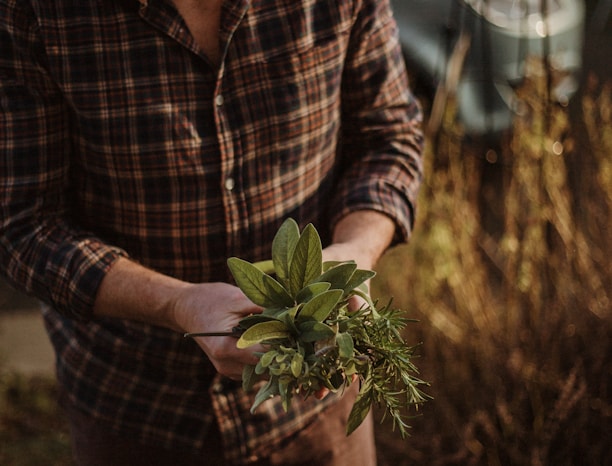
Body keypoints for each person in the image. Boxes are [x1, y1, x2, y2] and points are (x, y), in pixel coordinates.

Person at [0, 0, 424, 464]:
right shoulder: (36, 11)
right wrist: (178, 304)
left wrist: (354, 253)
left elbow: (388, 137)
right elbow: (23, 223)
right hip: (137, 409)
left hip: (314, 399)